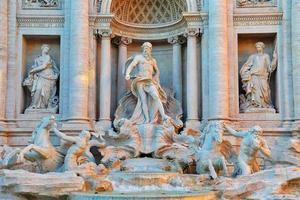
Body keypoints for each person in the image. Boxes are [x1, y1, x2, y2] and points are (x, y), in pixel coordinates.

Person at [124, 42, 169, 124]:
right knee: (143, 100)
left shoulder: (152, 60)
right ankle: (147, 119)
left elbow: (157, 71)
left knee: (156, 96)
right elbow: (131, 66)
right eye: (144, 48)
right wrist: (127, 73)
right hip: (140, 80)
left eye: (147, 48)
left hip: (149, 81)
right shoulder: (139, 57)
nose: (145, 50)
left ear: (150, 50)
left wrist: (156, 79)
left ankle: (163, 115)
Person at [240, 41, 277, 110]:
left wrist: (274, 59)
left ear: (262, 47)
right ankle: (255, 105)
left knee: (265, 91)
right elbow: (246, 65)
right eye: (257, 47)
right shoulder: (253, 56)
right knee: (255, 91)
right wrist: (245, 73)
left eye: (259, 47)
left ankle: (264, 104)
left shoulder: (266, 56)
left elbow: (269, 67)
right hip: (254, 76)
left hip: (263, 77)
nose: (258, 48)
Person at [23, 44, 59, 110]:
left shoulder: (48, 57)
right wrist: (33, 72)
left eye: (48, 49)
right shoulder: (37, 59)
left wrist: (33, 70)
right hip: (40, 76)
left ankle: (44, 106)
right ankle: (34, 105)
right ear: (42, 49)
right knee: (38, 89)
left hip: (48, 76)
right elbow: (34, 67)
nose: (47, 50)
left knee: (46, 93)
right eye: (46, 48)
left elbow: (44, 66)